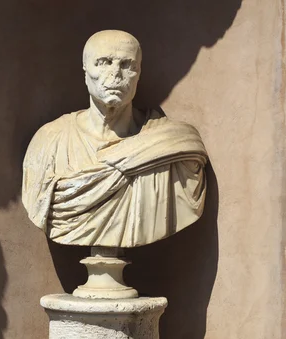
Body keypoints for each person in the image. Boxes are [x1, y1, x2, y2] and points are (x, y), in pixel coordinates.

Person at [22, 30, 208, 248]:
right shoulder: (49, 141)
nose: (115, 74)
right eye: (104, 62)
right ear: (85, 70)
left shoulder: (171, 146)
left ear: (138, 73)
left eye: (127, 65)